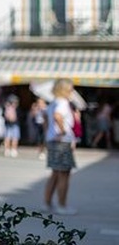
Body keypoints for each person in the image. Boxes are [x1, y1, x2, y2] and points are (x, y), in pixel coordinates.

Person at [42, 78, 78, 215]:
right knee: (64, 174)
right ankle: (62, 205)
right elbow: (57, 116)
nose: (72, 91)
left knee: (55, 173)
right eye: (71, 88)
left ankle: (47, 203)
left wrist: (48, 133)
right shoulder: (63, 102)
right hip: (62, 141)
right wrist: (63, 131)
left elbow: (46, 117)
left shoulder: (53, 102)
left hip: (53, 140)